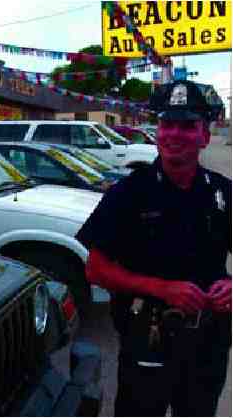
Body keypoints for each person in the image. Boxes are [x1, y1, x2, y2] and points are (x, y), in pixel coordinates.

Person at [77, 79, 231, 417]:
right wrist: (161, 288)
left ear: (205, 135)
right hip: (148, 341)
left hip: (209, 344)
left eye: (188, 126)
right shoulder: (128, 194)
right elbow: (95, 269)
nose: (174, 134)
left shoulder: (222, 192)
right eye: (167, 124)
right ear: (157, 131)